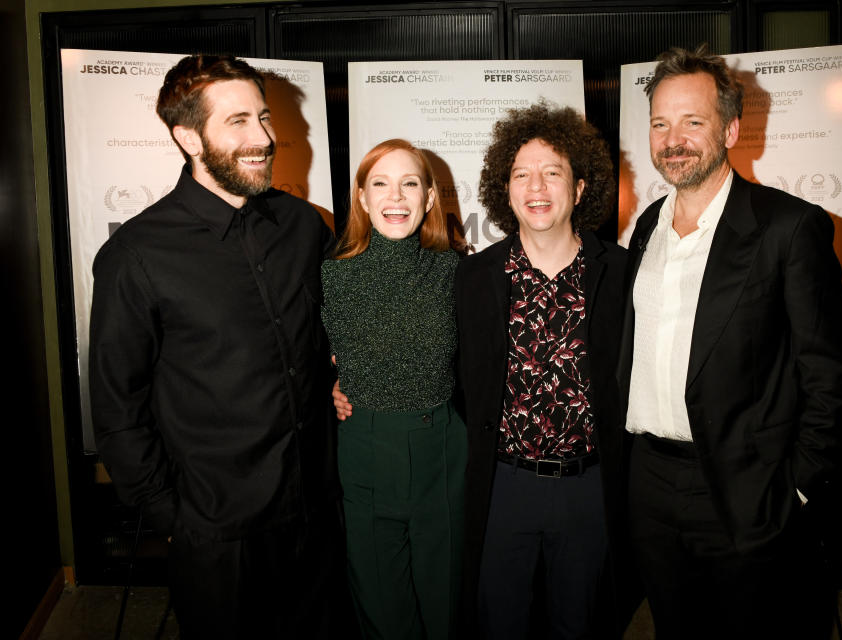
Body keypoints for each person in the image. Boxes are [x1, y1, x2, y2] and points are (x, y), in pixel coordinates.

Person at [89, 54, 347, 638]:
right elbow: (117, 412)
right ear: (188, 136)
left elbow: (332, 336)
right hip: (220, 536)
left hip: (318, 514)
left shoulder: (304, 227)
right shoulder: (136, 258)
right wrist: (175, 518)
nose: (262, 138)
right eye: (237, 122)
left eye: (263, 117)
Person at [618, 45, 842, 639]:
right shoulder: (646, 227)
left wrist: (795, 488)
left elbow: (828, 376)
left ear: (731, 128)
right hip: (650, 484)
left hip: (746, 488)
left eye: (692, 122)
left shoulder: (788, 227)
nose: (674, 139)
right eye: (660, 124)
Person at [457, 102, 630, 639]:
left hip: (588, 488)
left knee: (579, 626)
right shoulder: (472, 278)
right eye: (521, 174)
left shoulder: (622, 275)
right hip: (503, 487)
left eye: (553, 172)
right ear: (504, 191)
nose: (537, 186)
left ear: (579, 188)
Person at [322, 139, 468, 640]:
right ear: (362, 198)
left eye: (410, 183)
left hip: (443, 453)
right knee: (384, 611)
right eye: (380, 183)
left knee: (447, 603)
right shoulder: (330, 275)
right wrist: (331, 383)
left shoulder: (457, 272)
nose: (396, 196)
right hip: (364, 449)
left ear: (429, 197)